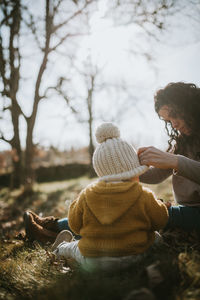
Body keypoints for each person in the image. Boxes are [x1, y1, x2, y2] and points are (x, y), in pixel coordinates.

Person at [24, 123, 168, 271]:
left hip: (93, 261)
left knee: (75, 247)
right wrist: (160, 205)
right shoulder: (143, 194)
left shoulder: (87, 194)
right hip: (135, 256)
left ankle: (61, 249)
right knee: (156, 237)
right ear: (135, 172)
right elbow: (160, 220)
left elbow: (75, 225)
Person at [138, 82, 200, 231]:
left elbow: (176, 162)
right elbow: (156, 175)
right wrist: (127, 166)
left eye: (174, 115)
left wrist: (175, 161)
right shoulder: (183, 143)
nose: (174, 124)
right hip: (187, 211)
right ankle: (72, 226)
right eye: (168, 121)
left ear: (189, 106)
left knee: (137, 217)